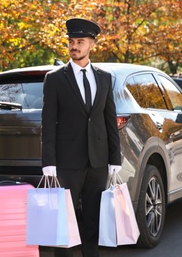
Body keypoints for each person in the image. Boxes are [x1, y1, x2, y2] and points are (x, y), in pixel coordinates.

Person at [41, 18, 122, 257]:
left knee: (92, 222)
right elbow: (48, 123)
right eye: (71, 41)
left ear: (91, 45)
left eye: (80, 41)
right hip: (66, 164)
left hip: (97, 162)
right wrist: (49, 162)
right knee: (64, 224)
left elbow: (109, 119)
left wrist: (114, 159)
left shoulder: (105, 77)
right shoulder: (55, 78)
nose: (74, 46)